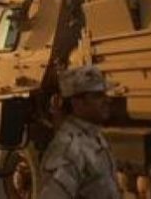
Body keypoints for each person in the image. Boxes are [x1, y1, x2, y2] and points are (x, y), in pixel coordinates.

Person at [38, 65, 120, 199]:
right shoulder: (67, 149)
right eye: (98, 96)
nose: (107, 100)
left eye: (105, 94)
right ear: (77, 103)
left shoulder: (94, 136)